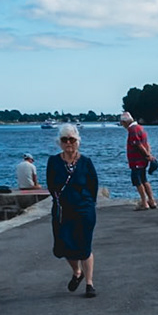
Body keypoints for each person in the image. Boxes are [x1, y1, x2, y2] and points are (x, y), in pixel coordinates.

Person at [46, 124, 100, 297]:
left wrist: (89, 203)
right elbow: (51, 185)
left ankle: (89, 284)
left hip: (84, 209)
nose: (68, 142)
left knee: (84, 246)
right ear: (59, 142)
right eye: (64, 139)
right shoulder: (53, 162)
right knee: (65, 246)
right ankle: (77, 272)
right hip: (63, 210)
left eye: (72, 139)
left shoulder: (86, 162)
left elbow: (93, 185)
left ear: (78, 141)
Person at [119, 110, 156, 210]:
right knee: (144, 179)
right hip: (142, 161)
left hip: (136, 160)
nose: (122, 125)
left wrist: (147, 155)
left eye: (122, 123)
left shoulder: (132, 130)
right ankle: (151, 201)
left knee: (137, 181)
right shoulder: (140, 127)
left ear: (125, 122)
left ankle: (144, 202)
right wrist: (148, 155)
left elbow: (138, 144)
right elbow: (146, 144)